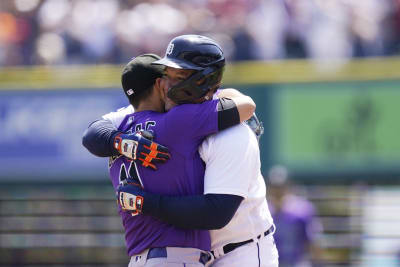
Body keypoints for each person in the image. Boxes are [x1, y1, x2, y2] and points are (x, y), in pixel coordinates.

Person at [82, 35, 256, 267]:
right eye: (166, 76)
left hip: (139, 257)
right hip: (176, 257)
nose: (170, 81)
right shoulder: (178, 121)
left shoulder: (120, 127)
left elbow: (91, 135)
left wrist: (123, 143)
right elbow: (247, 107)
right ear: (158, 85)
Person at [268, 165, 323, 267]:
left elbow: (313, 242)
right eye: (275, 186)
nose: (278, 191)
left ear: (288, 186)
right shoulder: (264, 211)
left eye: (281, 186)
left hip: (297, 262)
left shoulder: (302, 209)